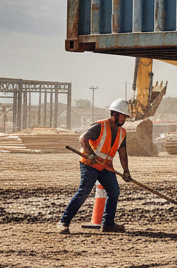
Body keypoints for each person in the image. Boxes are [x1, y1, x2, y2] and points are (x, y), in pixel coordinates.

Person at [56, 98, 133, 234]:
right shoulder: (100, 126)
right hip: (90, 164)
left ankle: (108, 224)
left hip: (105, 167)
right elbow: (83, 139)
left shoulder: (122, 133)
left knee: (114, 192)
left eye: (125, 117)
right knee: (84, 191)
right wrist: (90, 154)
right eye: (121, 116)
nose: (123, 119)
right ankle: (64, 222)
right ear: (113, 114)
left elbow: (122, 152)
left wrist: (126, 171)